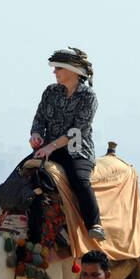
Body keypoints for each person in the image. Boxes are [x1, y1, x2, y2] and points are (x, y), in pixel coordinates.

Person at [24, 47, 105, 241]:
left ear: (72, 71)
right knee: (23, 172)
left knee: (79, 180)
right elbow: (39, 118)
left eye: (59, 68)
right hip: (47, 149)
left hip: (77, 150)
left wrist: (51, 147)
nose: (54, 72)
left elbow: (77, 131)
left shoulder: (88, 97)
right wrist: (36, 134)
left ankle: (94, 224)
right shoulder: (50, 91)